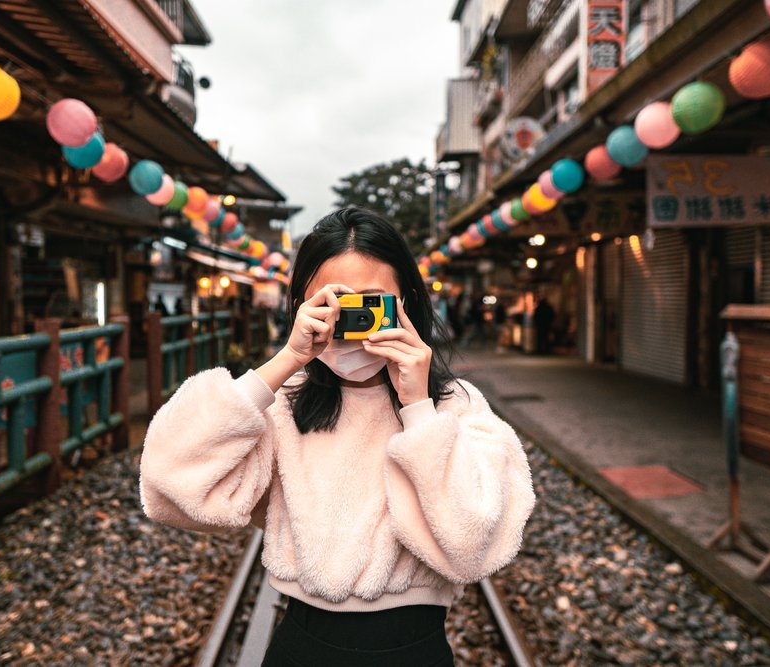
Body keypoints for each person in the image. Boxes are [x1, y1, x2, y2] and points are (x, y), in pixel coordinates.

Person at [139, 207, 535, 666]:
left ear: (406, 300)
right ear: (300, 306)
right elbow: (167, 486)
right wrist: (284, 361)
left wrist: (418, 409)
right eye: (332, 304)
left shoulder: (453, 405)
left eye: (370, 303)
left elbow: (475, 547)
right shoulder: (283, 402)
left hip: (415, 650)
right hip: (303, 646)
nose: (350, 322)